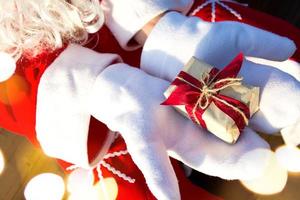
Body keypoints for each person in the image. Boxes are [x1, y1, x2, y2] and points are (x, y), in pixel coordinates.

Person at [0, 0, 299, 199]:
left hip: (165, 24)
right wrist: (102, 90)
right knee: (126, 184)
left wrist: (151, 18)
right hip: (71, 102)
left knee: (271, 63)